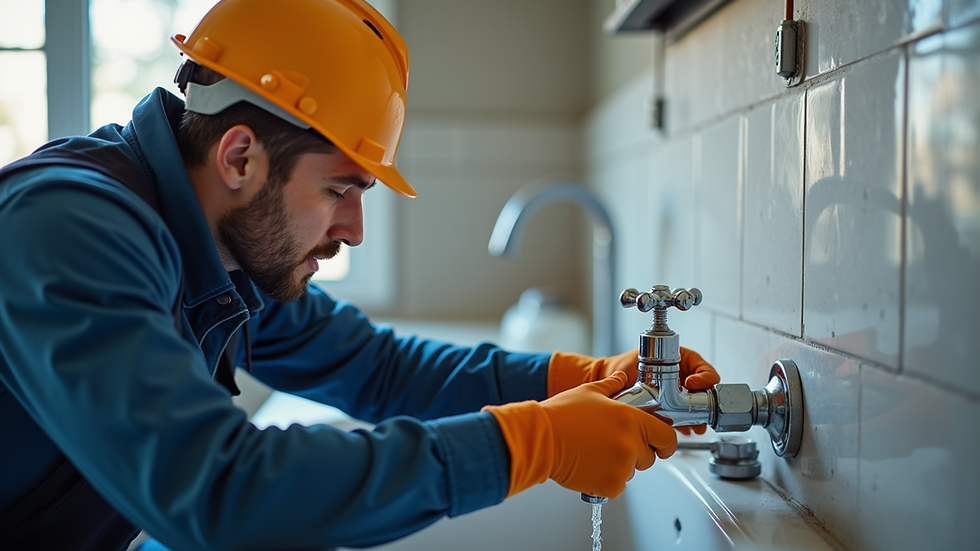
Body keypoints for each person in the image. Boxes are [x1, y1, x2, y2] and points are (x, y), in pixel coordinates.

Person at [0, 1, 720, 550]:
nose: (353, 230)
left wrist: (577, 377)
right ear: (240, 157)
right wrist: (534, 443)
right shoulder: (69, 231)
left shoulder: (219, 252)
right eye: (340, 190)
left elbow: (375, 369)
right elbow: (222, 489)